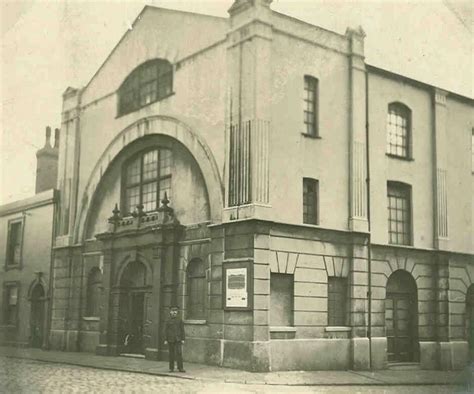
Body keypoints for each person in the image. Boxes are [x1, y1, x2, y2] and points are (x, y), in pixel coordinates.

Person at [164, 306, 185, 372]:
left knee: (179, 353)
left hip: (178, 339)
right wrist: (165, 339)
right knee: (171, 354)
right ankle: (171, 368)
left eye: (175, 311)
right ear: (170, 312)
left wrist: (183, 339)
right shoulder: (168, 320)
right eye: (173, 311)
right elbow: (165, 330)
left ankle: (180, 368)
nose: (174, 312)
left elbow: (182, 330)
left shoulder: (179, 320)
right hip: (170, 339)